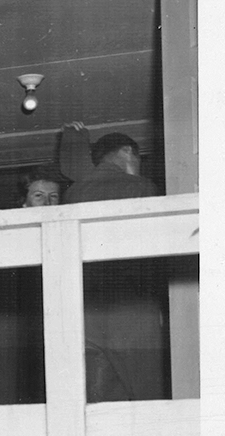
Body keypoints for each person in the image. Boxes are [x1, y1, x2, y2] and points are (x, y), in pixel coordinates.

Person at [61, 123, 167, 402]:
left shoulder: (74, 193)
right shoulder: (142, 186)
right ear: (127, 151)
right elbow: (154, 252)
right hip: (133, 310)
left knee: (99, 404)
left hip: (87, 313)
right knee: (146, 397)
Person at [0, 167, 69, 404]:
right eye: (39, 196)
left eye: (54, 197)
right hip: (8, 332)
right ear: (24, 204)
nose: (47, 203)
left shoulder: (66, 241)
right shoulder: (6, 238)